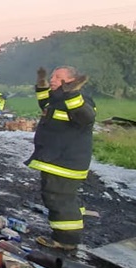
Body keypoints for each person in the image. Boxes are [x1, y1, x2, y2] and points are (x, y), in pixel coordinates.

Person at [26, 66, 96, 251]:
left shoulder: (80, 99)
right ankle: (75, 219)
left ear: (72, 82)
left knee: (58, 198)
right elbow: (45, 104)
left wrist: (71, 94)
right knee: (66, 197)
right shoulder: (57, 98)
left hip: (65, 162)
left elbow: (86, 117)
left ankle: (66, 241)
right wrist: (41, 84)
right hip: (57, 159)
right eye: (52, 76)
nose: (52, 79)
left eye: (58, 77)